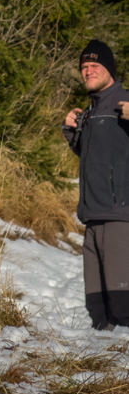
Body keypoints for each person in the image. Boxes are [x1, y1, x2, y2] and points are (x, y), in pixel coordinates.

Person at [62, 39, 129, 330]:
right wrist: (72, 133)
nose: (88, 71)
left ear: (109, 69)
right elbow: (98, 158)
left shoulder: (125, 102)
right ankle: (106, 368)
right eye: (84, 67)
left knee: (123, 304)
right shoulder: (91, 111)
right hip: (92, 216)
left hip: (120, 216)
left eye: (94, 66)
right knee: (98, 308)